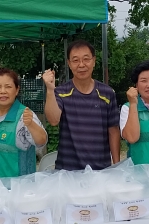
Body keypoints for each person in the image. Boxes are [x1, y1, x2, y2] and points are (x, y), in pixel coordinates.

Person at [43, 40, 120, 170]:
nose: (81, 65)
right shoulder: (61, 92)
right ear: (69, 63)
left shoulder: (107, 93)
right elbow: (53, 120)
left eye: (86, 59)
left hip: (100, 170)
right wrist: (50, 89)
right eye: (75, 60)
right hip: (67, 171)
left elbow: (113, 131)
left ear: (94, 61)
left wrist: (117, 167)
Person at [0, 67, 48, 178]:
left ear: (17, 90)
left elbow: (42, 141)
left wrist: (31, 124)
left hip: (19, 186)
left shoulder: (24, 115)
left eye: (8, 87)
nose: (3, 91)